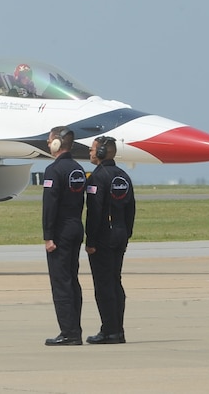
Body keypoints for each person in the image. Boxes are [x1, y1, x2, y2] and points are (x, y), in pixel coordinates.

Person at [84, 136, 136, 344]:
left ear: (102, 152)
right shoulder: (123, 176)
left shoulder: (98, 177)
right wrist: (126, 233)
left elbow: (94, 212)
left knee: (104, 285)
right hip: (120, 235)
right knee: (115, 282)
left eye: (92, 149)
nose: (90, 152)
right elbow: (131, 208)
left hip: (104, 237)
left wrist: (91, 240)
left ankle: (109, 331)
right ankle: (118, 329)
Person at [41, 126, 86, 345]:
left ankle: (68, 333)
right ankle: (74, 328)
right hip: (76, 227)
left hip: (60, 232)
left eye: (50, 141)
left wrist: (48, 236)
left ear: (58, 143)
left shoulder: (53, 170)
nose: (48, 144)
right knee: (72, 280)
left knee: (61, 282)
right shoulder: (77, 169)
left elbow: (50, 205)